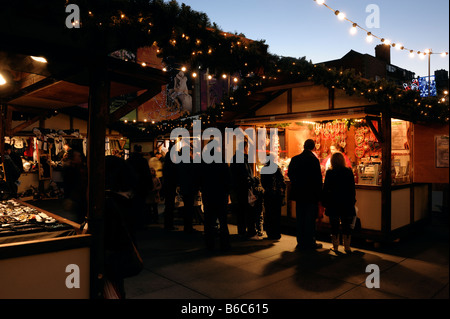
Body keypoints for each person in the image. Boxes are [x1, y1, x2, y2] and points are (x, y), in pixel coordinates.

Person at [288, 139, 323, 251]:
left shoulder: (295, 159)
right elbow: (318, 179)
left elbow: (290, 174)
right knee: (310, 219)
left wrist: (297, 183)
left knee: (300, 218)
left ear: (304, 146)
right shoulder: (314, 160)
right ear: (313, 148)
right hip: (311, 194)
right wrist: (319, 196)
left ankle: (301, 241)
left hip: (299, 193)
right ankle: (310, 242)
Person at [200, 141, 232, 251]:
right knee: (223, 220)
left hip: (208, 194)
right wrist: (227, 192)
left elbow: (200, 179)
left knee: (209, 221)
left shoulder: (204, 162)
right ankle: (225, 243)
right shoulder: (222, 162)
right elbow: (228, 179)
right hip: (220, 194)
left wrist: (203, 189)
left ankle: (210, 244)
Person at [322, 152, 357, 253]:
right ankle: (347, 247)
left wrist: (325, 201)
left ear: (332, 161)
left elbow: (326, 188)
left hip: (333, 202)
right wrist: (352, 200)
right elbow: (352, 188)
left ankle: (335, 246)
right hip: (346, 202)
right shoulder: (348, 171)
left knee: (334, 225)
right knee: (346, 224)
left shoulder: (330, 172)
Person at [230, 140, 259, 240]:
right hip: (244, 189)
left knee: (241, 212)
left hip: (238, 189)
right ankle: (250, 232)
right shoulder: (242, 159)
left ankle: (241, 231)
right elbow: (246, 175)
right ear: (245, 147)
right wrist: (253, 180)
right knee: (249, 211)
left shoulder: (234, 158)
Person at [126, 145, 153, 229]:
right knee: (141, 204)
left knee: (132, 204)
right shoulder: (143, 161)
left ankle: (133, 221)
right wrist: (150, 185)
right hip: (142, 185)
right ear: (141, 150)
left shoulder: (128, 160)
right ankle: (140, 222)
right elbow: (147, 174)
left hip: (131, 185)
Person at [261, 154, 286, 240]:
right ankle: (277, 233)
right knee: (276, 215)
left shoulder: (264, 169)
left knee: (269, 214)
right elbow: (282, 181)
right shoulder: (276, 168)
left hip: (268, 195)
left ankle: (270, 233)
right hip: (276, 195)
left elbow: (263, 183)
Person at [62, 148, 87, 224]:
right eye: (78, 156)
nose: (80, 158)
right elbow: (68, 184)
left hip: (80, 197)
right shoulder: (69, 169)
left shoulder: (80, 167)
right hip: (75, 197)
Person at [162, 143, 178, 230]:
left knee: (168, 205)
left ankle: (168, 224)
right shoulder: (173, 160)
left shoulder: (167, 160)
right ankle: (169, 224)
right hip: (171, 184)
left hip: (167, 184)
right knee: (170, 205)